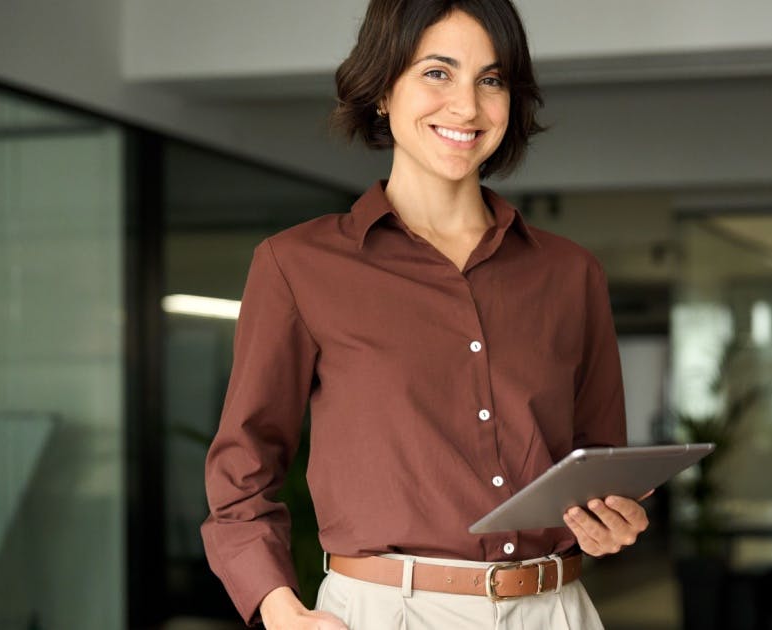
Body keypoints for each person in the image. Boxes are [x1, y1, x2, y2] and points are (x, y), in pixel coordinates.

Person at [199, 1, 649, 628]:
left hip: (555, 611)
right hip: (386, 613)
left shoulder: (571, 274)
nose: (466, 107)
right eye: (437, 73)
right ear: (383, 89)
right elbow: (242, 474)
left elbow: (597, 466)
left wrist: (608, 524)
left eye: (490, 80)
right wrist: (281, 611)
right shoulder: (296, 265)